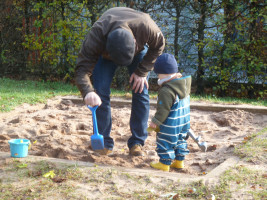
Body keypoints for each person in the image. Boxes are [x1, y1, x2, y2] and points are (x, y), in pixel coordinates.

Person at [75, 7, 165, 156]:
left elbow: (159, 46)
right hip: (105, 56)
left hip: (137, 53)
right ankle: (104, 142)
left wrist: (142, 71)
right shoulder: (96, 36)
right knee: (100, 91)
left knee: (140, 89)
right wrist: (88, 92)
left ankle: (137, 142)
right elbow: (81, 70)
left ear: (136, 41)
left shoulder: (146, 26)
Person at [148, 53, 191, 172]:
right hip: (184, 121)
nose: (158, 77)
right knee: (180, 140)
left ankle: (164, 163)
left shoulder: (166, 90)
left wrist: (155, 121)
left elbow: (163, 109)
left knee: (165, 140)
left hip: (171, 123)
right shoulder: (183, 86)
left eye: (158, 74)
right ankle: (179, 161)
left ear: (163, 73)